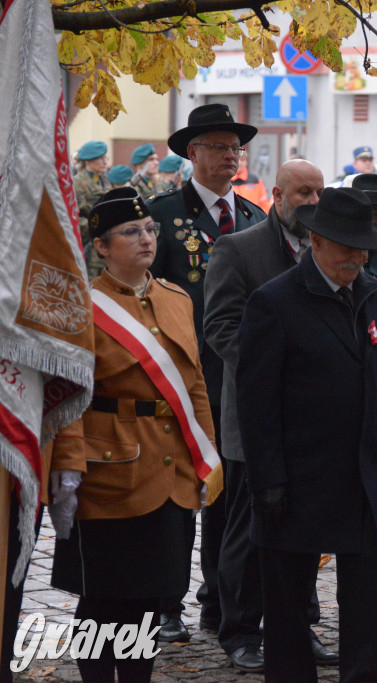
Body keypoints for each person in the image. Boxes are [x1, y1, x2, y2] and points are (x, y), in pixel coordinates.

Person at [236, 187, 377, 682]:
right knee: (289, 608)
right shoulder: (274, 302)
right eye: (345, 247)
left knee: (366, 599)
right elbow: (257, 401)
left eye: (363, 249)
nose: (355, 258)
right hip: (297, 481)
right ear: (315, 241)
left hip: (364, 478)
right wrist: (267, 479)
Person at [49, 187, 222, 682]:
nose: (145, 239)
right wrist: (69, 463)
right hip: (109, 471)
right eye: (130, 232)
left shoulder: (176, 298)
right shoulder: (81, 306)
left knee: (151, 597)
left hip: (170, 471)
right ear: (101, 246)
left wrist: (208, 456)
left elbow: (193, 386)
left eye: (150, 229)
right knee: (103, 598)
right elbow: (67, 395)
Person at [203, 159, 330, 672]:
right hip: (255, 417)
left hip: (312, 421)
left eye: (319, 192)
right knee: (247, 529)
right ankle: (239, 631)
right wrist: (271, 371)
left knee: (305, 532)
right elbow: (220, 326)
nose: (313, 202)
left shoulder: (328, 246)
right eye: (303, 192)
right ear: (277, 195)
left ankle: (296, 629)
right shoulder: (239, 248)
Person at [148, 102, 267, 643]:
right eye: (219, 146)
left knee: (227, 497)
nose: (230, 155)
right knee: (176, 497)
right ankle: (165, 602)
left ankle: (219, 601)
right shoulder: (162, 215)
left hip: (236, 381)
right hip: (179, 379)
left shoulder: (253, 219)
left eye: (235, 147)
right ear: (191, 153)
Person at [73, 140, 112, 278]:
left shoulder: (104, 181)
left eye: (105, 158)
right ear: (88, 161)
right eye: (101, 158)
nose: (105, 162)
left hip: (108, 245)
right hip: (88, 246)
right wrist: (92, 226)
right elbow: (72, 216)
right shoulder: (76, 183)